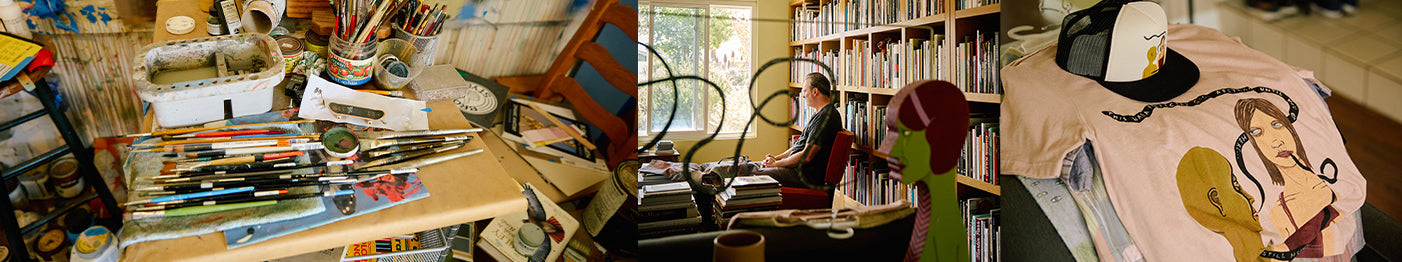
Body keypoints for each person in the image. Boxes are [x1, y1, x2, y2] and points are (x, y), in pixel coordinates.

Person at [673, 73, 841, 189]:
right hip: (794, 169)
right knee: (749, 165)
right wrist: (776, 158)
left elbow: (807, 156)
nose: (802, 95)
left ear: (815, 91)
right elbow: (799, 147)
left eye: (804, 91)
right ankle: (698, 169)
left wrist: (777, 164)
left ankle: (691, 175)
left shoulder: (827, 117)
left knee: (748, 171)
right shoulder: (820, 115)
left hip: (803, 176)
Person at [1235, 98, 1344, 258]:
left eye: (1277, 125)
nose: (1276, 142)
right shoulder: (1279, 213)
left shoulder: (1335, 174)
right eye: (1257, 133)